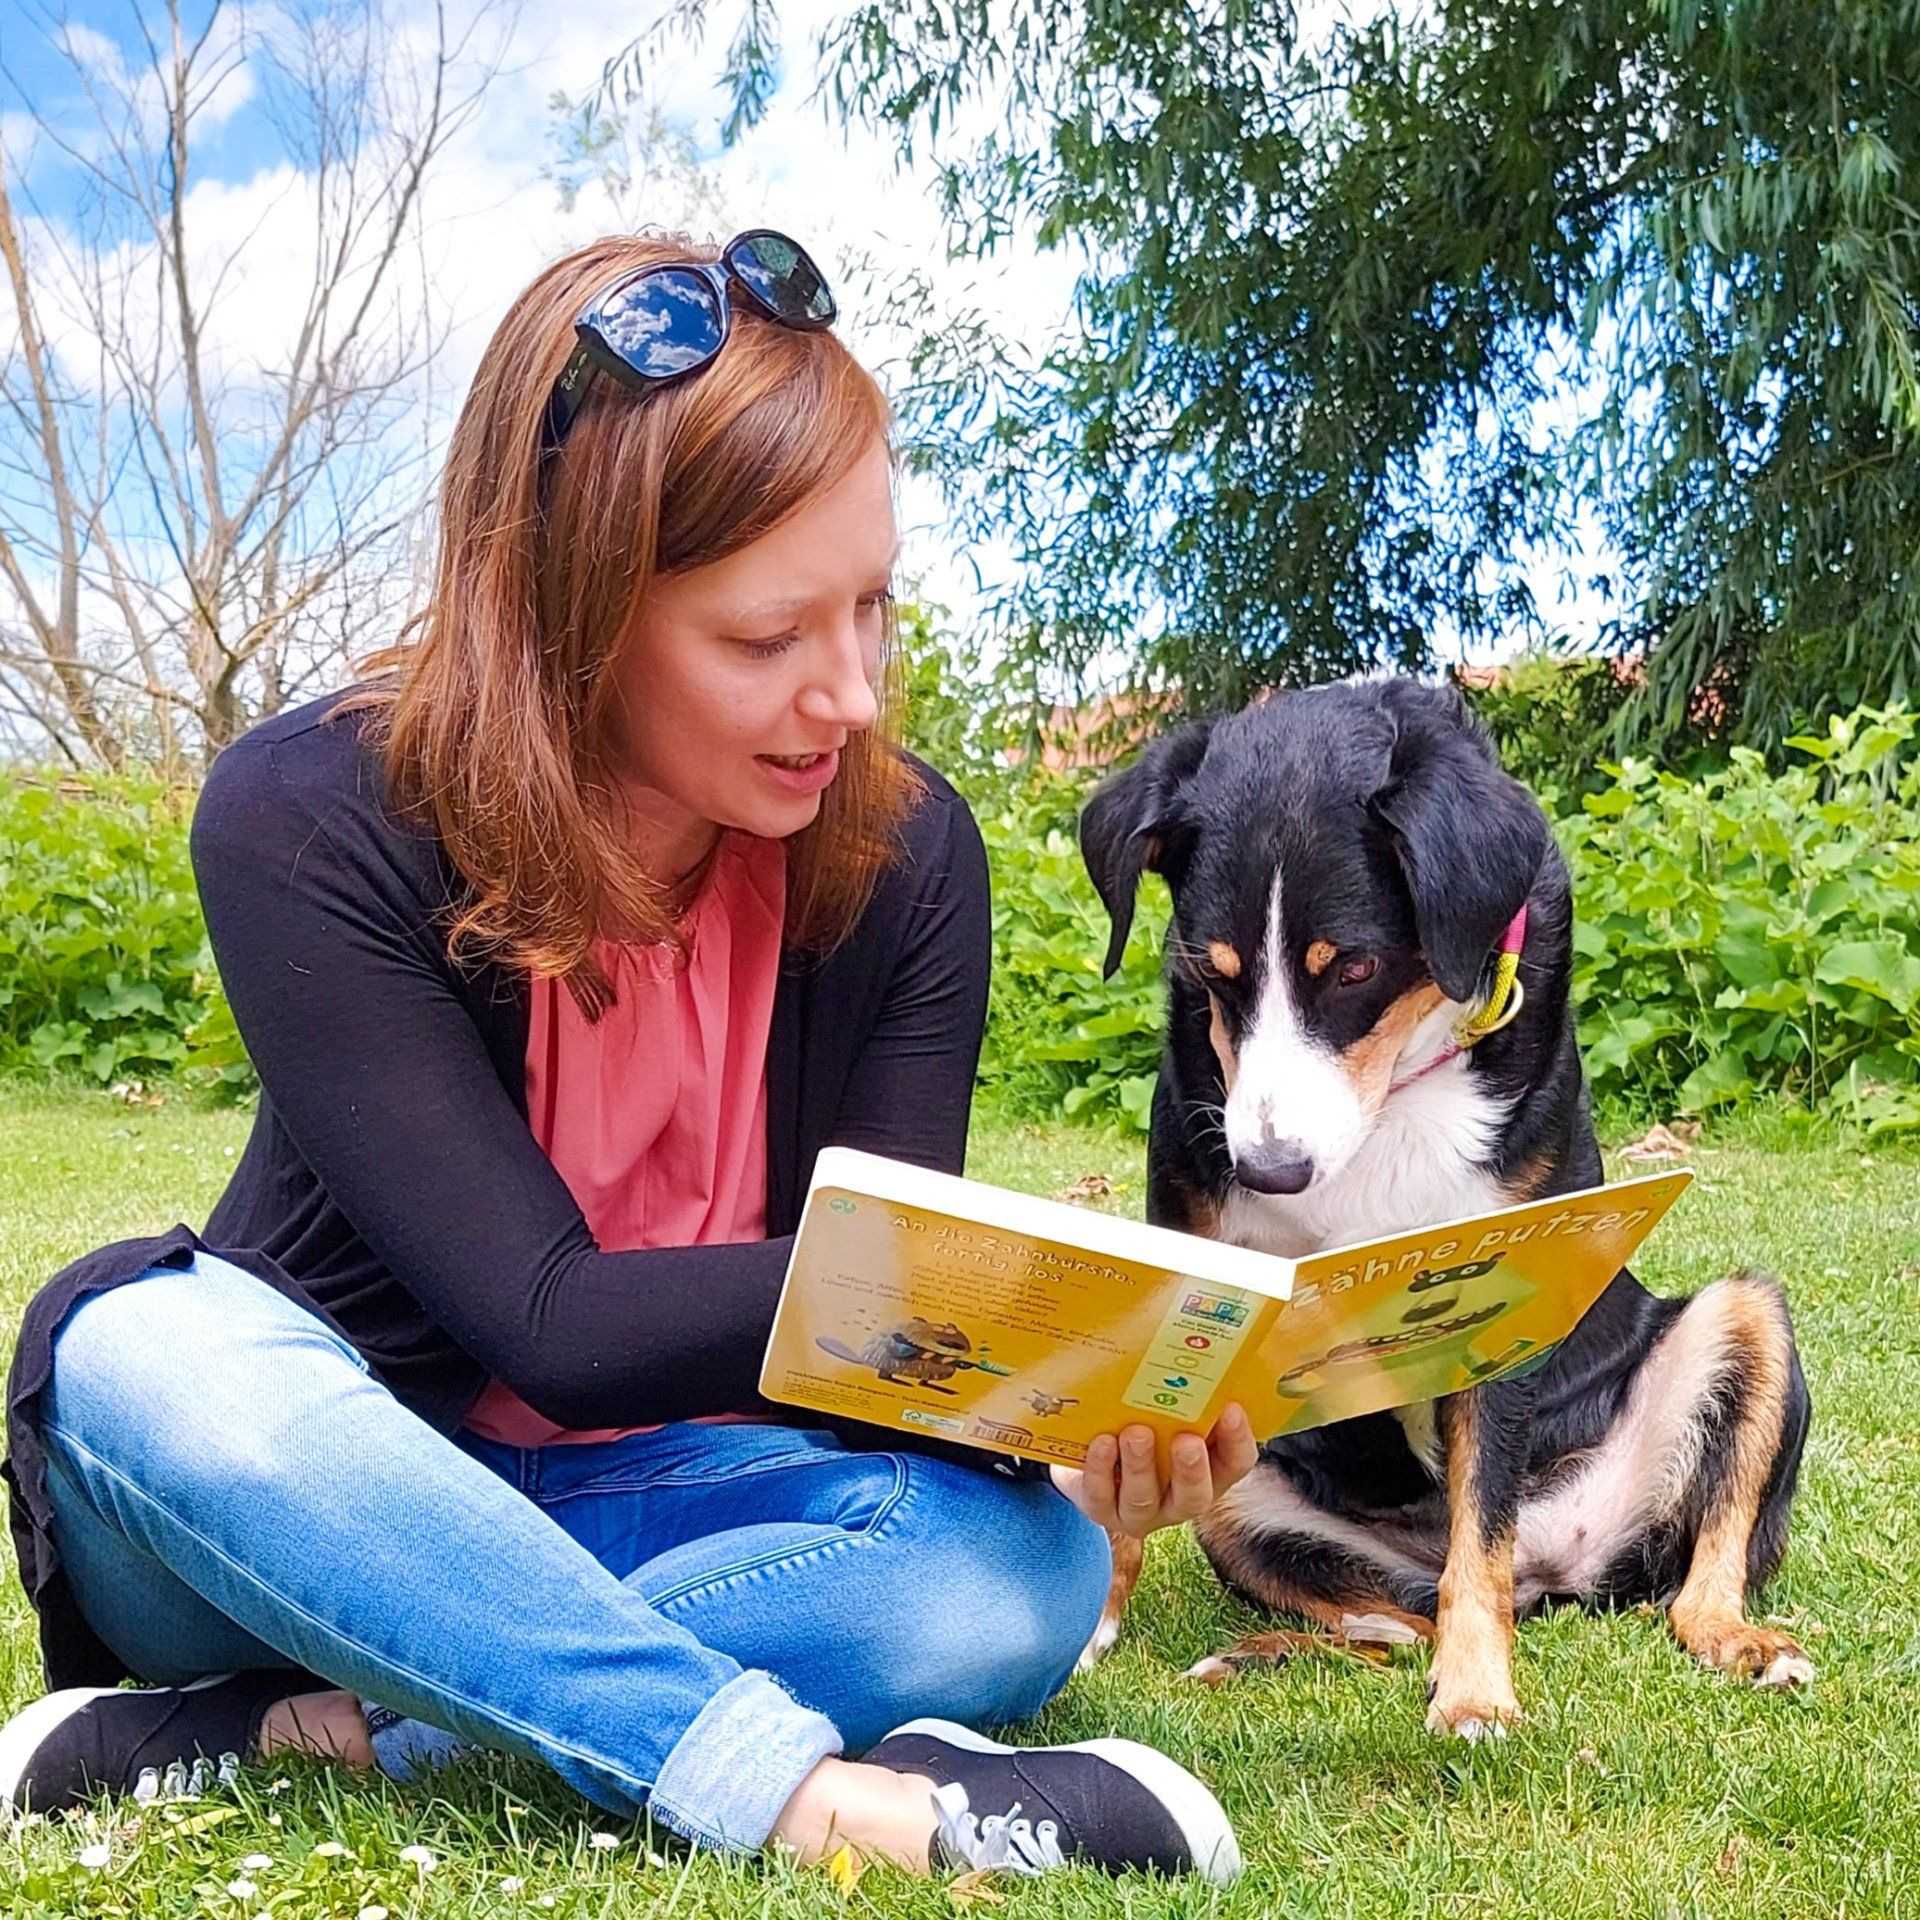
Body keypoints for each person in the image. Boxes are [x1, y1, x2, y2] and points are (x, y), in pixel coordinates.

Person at [0, 231, 1258, 1882]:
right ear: (572, 609)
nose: (852, 696)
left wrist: (1084, 1392)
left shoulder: (905, 858)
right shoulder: (308, 817)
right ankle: (795, 1793)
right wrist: (941, 1288)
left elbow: (857, 1357)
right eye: (766, 640)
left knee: (1015, 1571)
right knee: (137, 1354)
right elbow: (554, 1324)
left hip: (641, 1504)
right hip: (309, 1502)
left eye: (873, 608)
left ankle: (309, 1733)